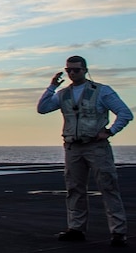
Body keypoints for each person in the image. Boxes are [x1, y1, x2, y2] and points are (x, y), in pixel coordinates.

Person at [37, 55, 133, 247]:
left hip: (96, 147)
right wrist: (51, 86)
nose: (72, 73)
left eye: (76, 70)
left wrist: (110, 131)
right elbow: (43, 108)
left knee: (108, 187)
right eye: (69, 70)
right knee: (74, 189)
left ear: (85, 70)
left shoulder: (102, 91)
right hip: (73, 147)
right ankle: (76, 228)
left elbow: (125, 113)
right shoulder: (63, 94)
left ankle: (118, 231)